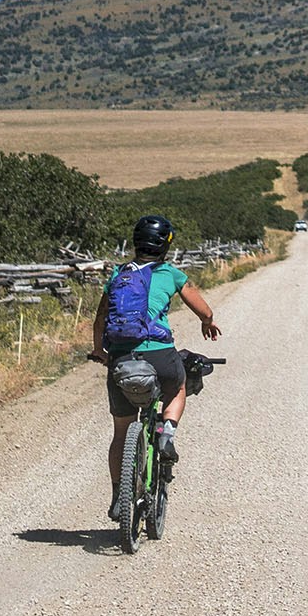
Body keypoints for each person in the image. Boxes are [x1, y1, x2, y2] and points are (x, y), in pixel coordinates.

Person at [86, 213, 221, 526]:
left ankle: (120, 497)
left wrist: (100, 351)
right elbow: (203, 308)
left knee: (121, 431)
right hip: (160, 356)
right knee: (179, 385)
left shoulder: (118, 275)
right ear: (166, 246)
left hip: (121, 359)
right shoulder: (170, 273)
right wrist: (207, 321)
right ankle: (167, 431)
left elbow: (99, 321)